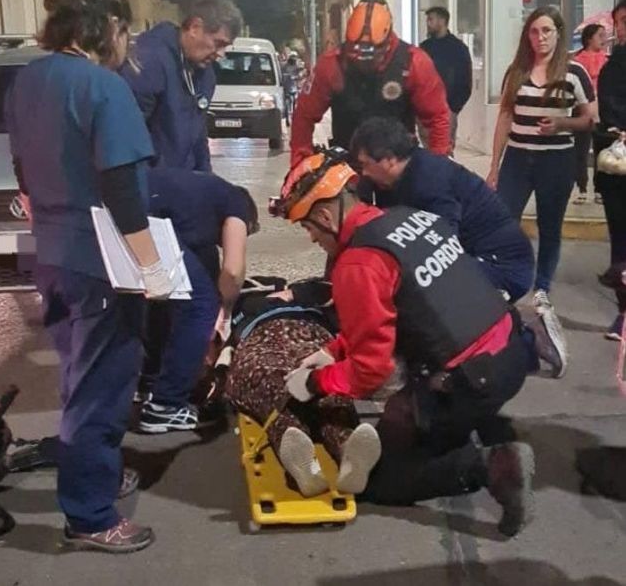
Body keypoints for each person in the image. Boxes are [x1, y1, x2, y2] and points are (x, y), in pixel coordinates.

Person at [277, 152, 535, 536]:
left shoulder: (357, 264)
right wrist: (332, 351)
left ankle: (493, 465)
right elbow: (395, 310)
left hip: (472, 380)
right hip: (512, 351)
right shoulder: (407, 218)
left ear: (326, 216)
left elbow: (370, 371)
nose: (312, 237)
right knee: (400, 419)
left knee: (374, 479)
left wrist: (316, 383)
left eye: (308, 227)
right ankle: (474, 427)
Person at [5, 0, 172, 553]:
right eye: (124, 32)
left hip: (49, 254)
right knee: (102, 387)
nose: (125, 45)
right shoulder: (104, 87)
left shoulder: (27, 80)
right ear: (105, 23)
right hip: (100, 260)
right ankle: (91, 515)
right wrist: (153, 267)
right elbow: (123, 191)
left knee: (79, 373)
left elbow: (22, 170)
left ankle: (93, 477)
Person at [349, 116, 566, 377]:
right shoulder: (395, 178)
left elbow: (442, 245)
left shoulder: (428, 181)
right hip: (480, 256)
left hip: (504, 265)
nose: (363, 173)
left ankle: (528, 336)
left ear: (388, 159)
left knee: (427, 290)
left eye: (365, 165)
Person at [487, 7, 596, 336]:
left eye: (547, 31)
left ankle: (543, 287)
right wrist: (494, 166)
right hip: (518, 160)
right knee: (503, 223)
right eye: (534, 32)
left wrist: (562, 122)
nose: (541, 38)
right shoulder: (516, 71)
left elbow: (590, 118)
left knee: (550, 227)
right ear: (527, 36)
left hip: (556, 161)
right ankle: (504, 283)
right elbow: (505, 117)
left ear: (559, 33)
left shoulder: (574, 72)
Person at [221, 277, 381, 497]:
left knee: (276, 388)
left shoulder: (308, 292)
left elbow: (337, 293)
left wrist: (294, 293)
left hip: (292, 336)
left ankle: (319, 457)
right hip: (292, 336)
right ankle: (343, 445)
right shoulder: (239, 303)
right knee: (301, 390)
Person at [137, 169, 259, 433]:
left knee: (163, 299)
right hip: (144, 218)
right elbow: (233, 270)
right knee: (200, 306)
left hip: (124, 208)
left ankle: (149, 381)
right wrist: (224, 315)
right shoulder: (235, 202)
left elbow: (210, 272)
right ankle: (165, 405)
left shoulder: (200, 202)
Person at [289, 0, 450, 169]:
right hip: (348, 167)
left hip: (398, 169)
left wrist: (437, 168)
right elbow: (303, 116)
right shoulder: (330, 65)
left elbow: (437, 118)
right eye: (356, 50)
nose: (364, 60)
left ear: (388, 39)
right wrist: (300, 163)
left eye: (373, 53)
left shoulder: (414, 63)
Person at [120, 0, 243, 172]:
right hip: (153, 184)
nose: (221, 54)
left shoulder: (205, 74)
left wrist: (205, 181)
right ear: (195, 27)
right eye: (218, 43)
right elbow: (127, 139)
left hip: (181, 181)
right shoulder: (148, 62)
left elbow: (199, 139)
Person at [594, 0, 626, 341]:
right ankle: (623, 314)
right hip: (619, 168)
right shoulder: (611, 68)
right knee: (620, 241)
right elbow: (608, 111)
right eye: (621, 20)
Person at [420, 6, 472, 153]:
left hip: (446, 109)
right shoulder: (424, 48)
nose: (428, 24)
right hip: (425, 111)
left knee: (444, 153)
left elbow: (465, 81)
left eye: (431, 19)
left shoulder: (458, 48)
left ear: (442, 21)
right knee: (427, 153)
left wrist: (454, 108)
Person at [572, 24, 608, 204]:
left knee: (602, 150)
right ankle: (582, 187)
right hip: (583, 110)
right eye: (600, 35)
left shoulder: (608, 60)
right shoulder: (577, 61)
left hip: (603, 110)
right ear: (588, 39)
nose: (604, 38)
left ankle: (600, 189)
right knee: (581, 150)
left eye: (605, 35)